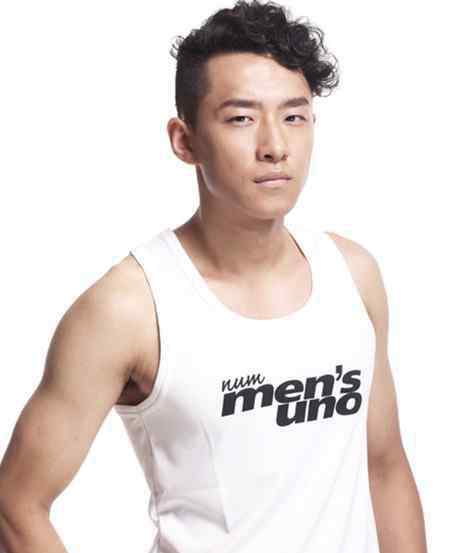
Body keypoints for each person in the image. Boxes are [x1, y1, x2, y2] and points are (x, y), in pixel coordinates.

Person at [0, 1, 428, 552]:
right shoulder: (129, 308)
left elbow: (384, 467)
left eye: (294, 117)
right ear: (186, 140)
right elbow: (16, 502)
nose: (275, 146)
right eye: (241, 118)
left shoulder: (353, 274)